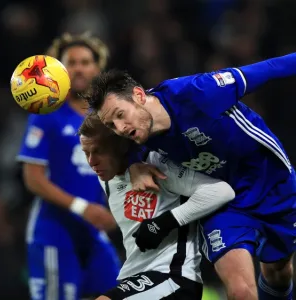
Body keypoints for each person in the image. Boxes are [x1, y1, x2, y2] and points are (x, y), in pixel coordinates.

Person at [84, 53, 296, 300]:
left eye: (120, 115)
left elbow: (271, 67)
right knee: (240, 291)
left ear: (140, 96)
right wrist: (133, 165)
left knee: (278, 272)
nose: (120, 128)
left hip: (274, 186)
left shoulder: (199, 93)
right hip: (225, 202)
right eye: (112, 125)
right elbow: (120, 147)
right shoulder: (136, 135)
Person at [78, 113, 235, 300]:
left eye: (98, 151)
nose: (91, 162)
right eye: (86, 153)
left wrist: (164, 222)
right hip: (137, 280)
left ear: (118, 146)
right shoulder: (105, 175)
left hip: (174, 278)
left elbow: (222, 191)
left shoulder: (159, 167)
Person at [17, 33, 120, 300]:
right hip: (54, 231)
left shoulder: (106, 117)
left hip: (93, 232)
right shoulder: (46, 113)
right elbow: (33, 178)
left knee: (121, 292)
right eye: (70, 62)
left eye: (85, 62)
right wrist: (82, 208)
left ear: (98, 69)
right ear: (58, 71)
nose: (78, 68)